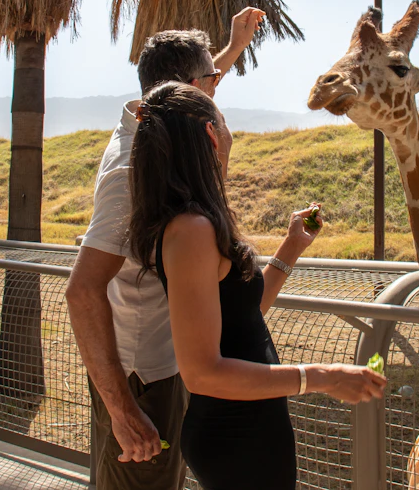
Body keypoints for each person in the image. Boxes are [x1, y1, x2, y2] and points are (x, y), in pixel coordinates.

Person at [129, 81, 386, 490]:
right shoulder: (191, 230)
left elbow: (242, 317)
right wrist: (323, 376)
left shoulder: (194, 223)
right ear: (212, 134)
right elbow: (201, 374)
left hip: (246, 432)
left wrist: (292, 247)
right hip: (236, 440)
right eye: (224, 122)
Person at [66, 8, 265, 490]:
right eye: (212, 80)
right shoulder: (131, 171)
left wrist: (233, 48)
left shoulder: (155, 122)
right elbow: (82, 291)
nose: (216, 89)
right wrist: (122, 411)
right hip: (141, 377)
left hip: (163, 362)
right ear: (189, 90)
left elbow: (190, 91)